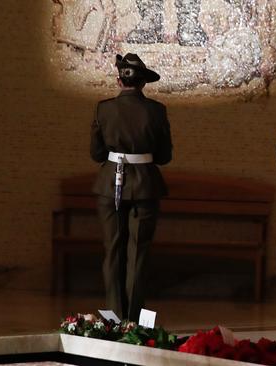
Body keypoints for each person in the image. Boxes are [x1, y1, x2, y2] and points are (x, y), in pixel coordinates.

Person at [90, 53, 173, 321]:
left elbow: (96, 154)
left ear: (119, 80)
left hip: (109, 184)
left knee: (113, 250)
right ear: (143, 84)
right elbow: (163, 157)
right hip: (145, 186)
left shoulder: (103, 109)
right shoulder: (157, 110)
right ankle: (133, 320)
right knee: (138, 252)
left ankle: (113, 317)